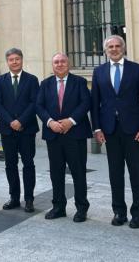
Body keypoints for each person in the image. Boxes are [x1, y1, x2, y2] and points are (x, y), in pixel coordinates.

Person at [91, 35, 139, 229]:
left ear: (123, 48)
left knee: (135, 172)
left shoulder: (137, 70)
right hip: (110, 130)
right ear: (106, 50)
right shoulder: (99, 72)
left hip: (133, 130)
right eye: (111, 47)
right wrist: (97, 128)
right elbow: (95, 104)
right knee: (115, 173)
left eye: (118, 46)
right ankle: (119, 212)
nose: (114, 49)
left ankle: (137, 214)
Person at [36, 53, 92, 222]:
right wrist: (50, 122)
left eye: (63, 61)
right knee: (56, 172)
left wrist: (71, 121)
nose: (59, 64)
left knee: (78, 172)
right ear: (52, 65)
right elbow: (39, 106)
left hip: (75, 134)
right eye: (56, 62)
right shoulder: (45, 84)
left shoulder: (80, 82)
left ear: (69, 64)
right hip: (53, 135)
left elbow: (86, 103)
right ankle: (59, 207)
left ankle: (81, 208)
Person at [0, 47, 39, 213]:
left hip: (27, 129)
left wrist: (20, 121)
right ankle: (14, 197)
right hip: (7, 130)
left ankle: (29, 199)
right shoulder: (0, 80)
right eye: (11, 60)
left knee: (28, 164)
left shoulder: (32, 80)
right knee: (10, 164)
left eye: (17, 59)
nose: (14, 62)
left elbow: (35, 103)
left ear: (21, 60)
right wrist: (11, 121)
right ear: (7, 62)